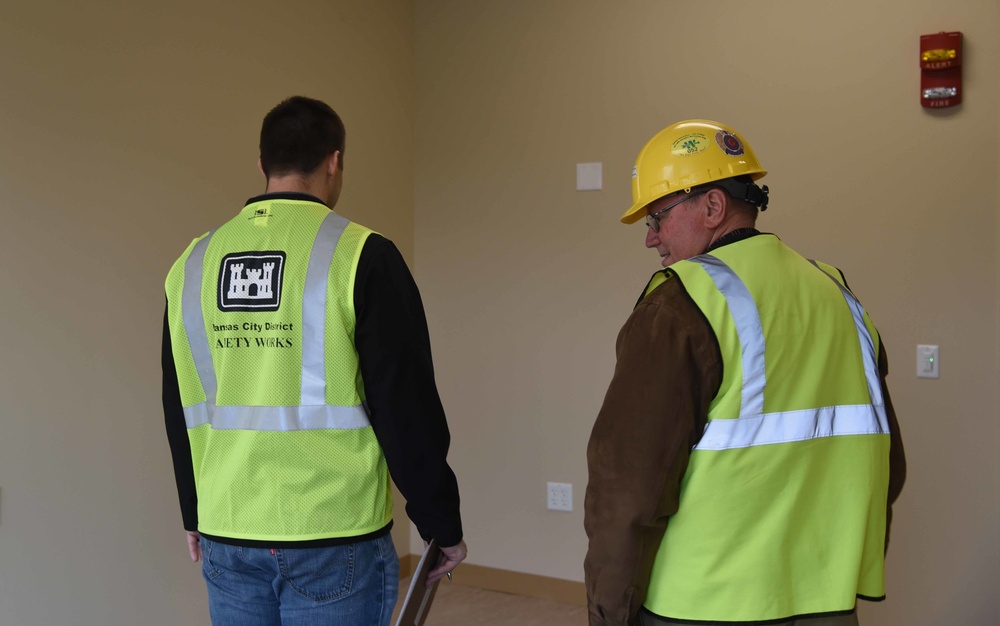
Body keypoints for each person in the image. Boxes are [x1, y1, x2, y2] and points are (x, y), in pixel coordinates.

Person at [584, 120, 905, 626]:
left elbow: (627, 486)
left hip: (703, 601)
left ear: (712, 207)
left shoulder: (680, 303)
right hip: (825, 597)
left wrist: (609, 610)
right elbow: (890, 462)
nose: (651, 239)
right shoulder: (837, 294)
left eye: (658, 217)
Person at [162, 96, 467, 626]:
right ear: (333, 161)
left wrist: (194, 509)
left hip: (227, 529)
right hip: (334, 534)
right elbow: (405, 403)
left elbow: (179, 403)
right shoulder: (362, 256)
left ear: (262, 165)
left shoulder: (192, 264)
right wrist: (439, 519)